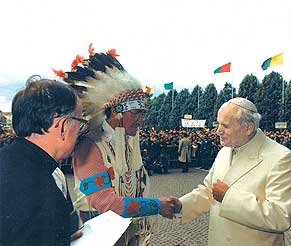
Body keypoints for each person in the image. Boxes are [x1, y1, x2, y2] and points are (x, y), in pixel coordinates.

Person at [53, 44, 181, 245]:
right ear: (116, 112)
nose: (141, 120)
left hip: (126, 234)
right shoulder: (90, 146)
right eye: (136, 113)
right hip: (99, 237)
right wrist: (157, 206)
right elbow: (106, 203)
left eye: (143, 113)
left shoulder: (128, 145)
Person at [176, 97, 291, 246]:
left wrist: (228, 197)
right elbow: (209, 191)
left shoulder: (281, 158)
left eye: (225, 126)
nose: (217, 131)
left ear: (248, 127)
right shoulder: (225, 151)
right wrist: (181, 205)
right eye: (218, 124)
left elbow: (280, 217)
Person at [0, 79, 83, 246]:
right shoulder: (38, 185)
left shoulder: (11, 159)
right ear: (63, 127)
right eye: (80, 123)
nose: (80, 132)